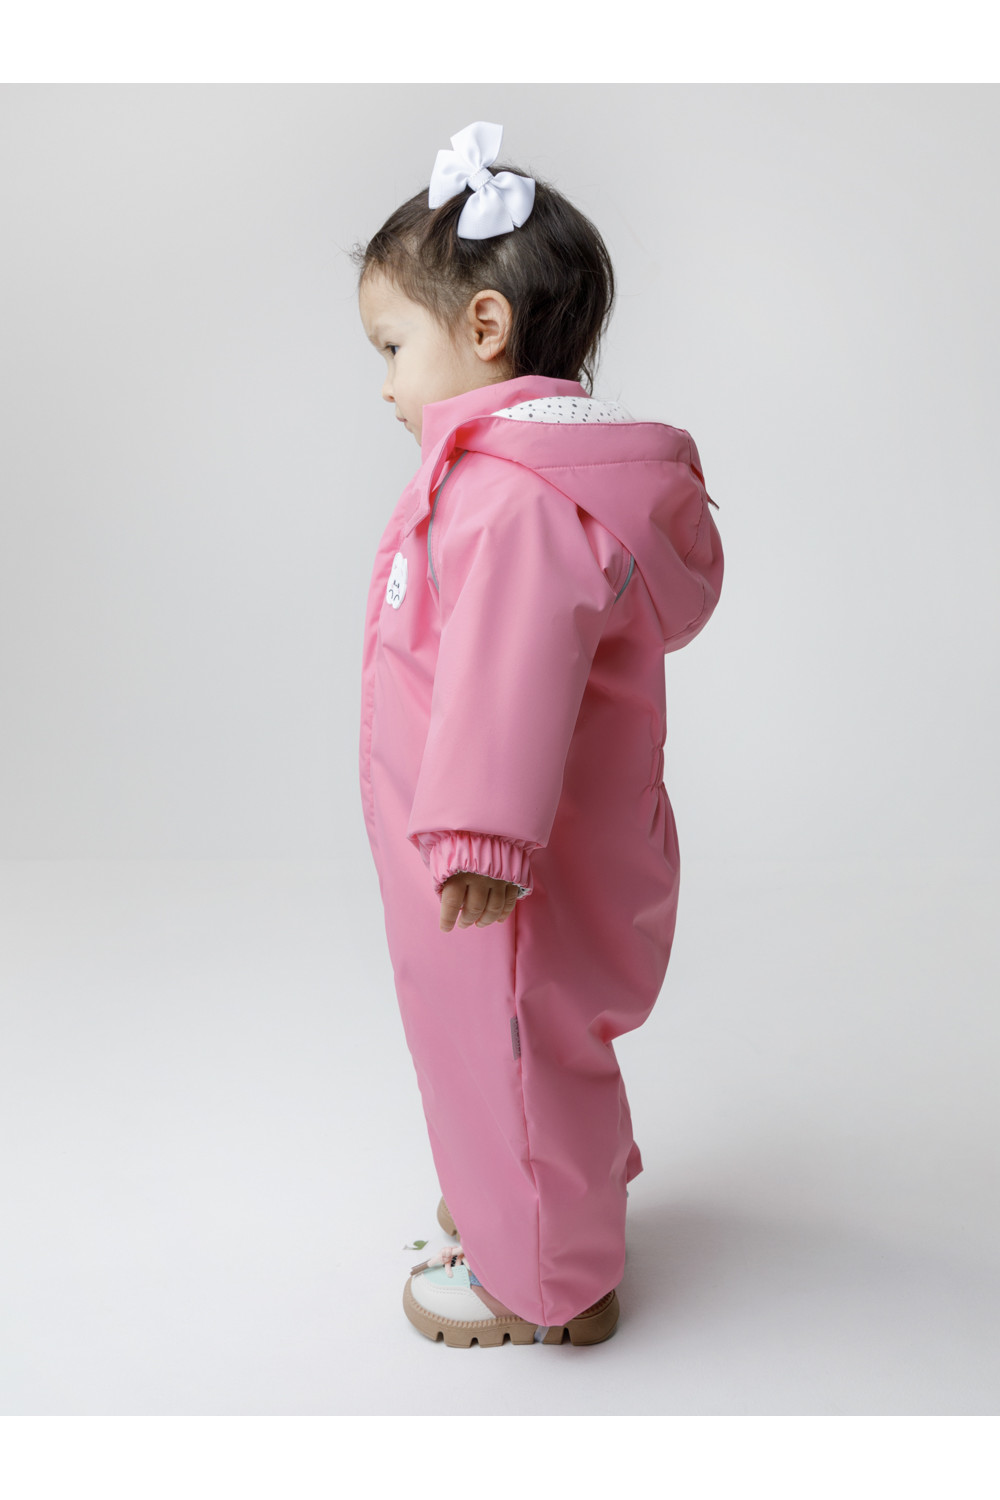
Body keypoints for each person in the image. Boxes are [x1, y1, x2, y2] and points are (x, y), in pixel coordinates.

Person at [353, 121, 724, 1348]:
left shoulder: (515, 497)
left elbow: (509, 678)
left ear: (484, 329)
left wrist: (476, 836)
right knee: (517, 1044)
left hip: (510, 861)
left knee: (510, 1038)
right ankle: (525, 1205)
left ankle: (543, 1282)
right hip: (529, 845)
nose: (385, 385)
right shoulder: (531, 481)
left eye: (393, 347)